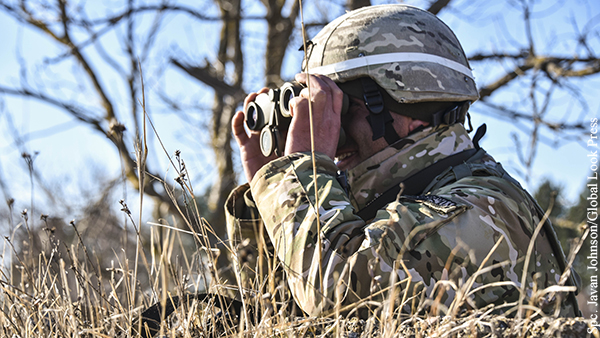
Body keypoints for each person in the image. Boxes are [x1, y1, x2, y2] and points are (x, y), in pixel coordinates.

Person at [225, 4, 580, 318]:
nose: (329, 133)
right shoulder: (382, 204)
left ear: (410, 104)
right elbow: (287, 316)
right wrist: (268, 189)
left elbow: (335, 295)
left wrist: (303, 168)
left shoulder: (481, 208)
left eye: (339, 107)